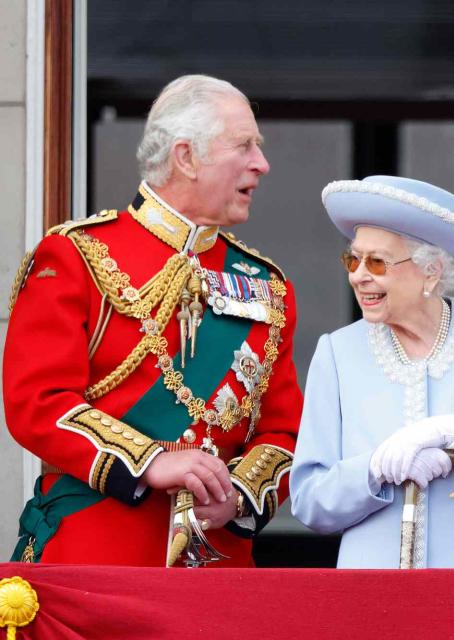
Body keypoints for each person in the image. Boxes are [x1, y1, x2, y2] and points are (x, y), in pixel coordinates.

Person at [3, 75, 302, 566]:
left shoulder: (268, 285)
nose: (261, 163)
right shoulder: (78, 255)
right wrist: (152, 463)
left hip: (218, 565)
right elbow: (37, 403)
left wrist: (239, 496)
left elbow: (286, 431)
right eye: (244, 145)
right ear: (186, 157)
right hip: (96, 556)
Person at [290, 175, 454, 568]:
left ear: (430, 271)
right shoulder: (337, 352)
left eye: (377, 261)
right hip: (372, 601)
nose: (358, 275)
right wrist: (375, 468)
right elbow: (310, 502)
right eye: (353, 258)